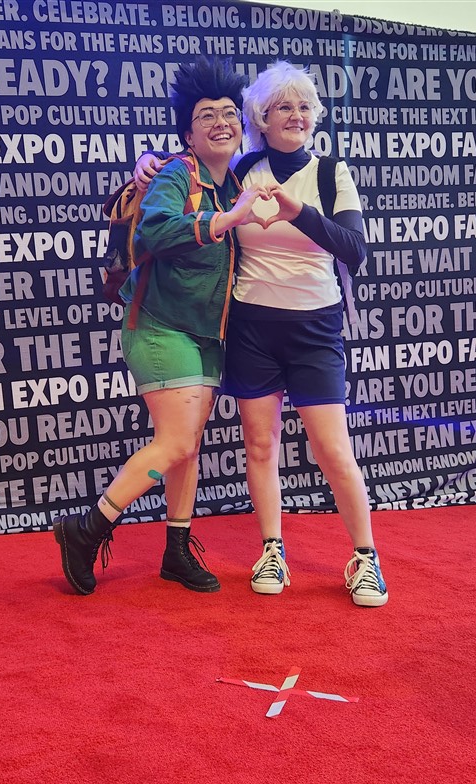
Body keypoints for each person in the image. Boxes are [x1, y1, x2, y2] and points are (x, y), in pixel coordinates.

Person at [134, 61, 388, 607]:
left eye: (304, 107)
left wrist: (299, 212)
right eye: (282, 108)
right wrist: (146, 161)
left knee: (333, 449)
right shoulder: (242, 169)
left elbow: (355, 249)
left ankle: (366, 557)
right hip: (252, 328)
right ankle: (272, 549)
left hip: (316, 327)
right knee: (259, 444)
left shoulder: (331, 173)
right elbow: (190, 169)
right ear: (261, 119)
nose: (296, 116)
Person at [53, 55, 266, 596]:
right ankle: (86, 529)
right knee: (174, 442)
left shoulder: (237, 179)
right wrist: (225, 219)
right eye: (206, 115)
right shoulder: (176, 173)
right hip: (158, 324)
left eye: (229, 113)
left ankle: (176, 550)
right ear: (187, 134)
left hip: (208, 335)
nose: (221, 122)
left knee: (187, 446)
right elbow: (155, 231)